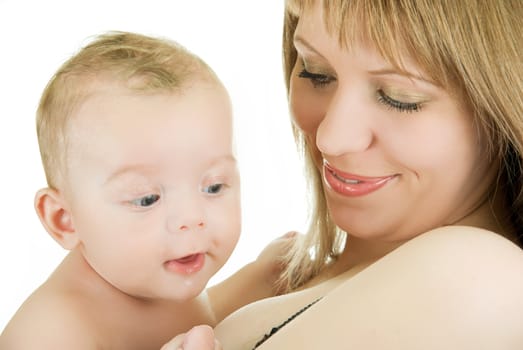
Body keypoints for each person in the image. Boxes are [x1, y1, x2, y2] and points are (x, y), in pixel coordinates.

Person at [163, 0, 523, 349]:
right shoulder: (278, 278)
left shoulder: (477, 279)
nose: (330, 138)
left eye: (399, 97)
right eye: (315, 72)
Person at [0, 31, 293, 350]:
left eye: (213, 186)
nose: (192, 217)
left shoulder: (150, 279)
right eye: (147, 199)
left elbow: (205, 314)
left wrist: (263, 276)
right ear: (64, 219)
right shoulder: (51, 334)